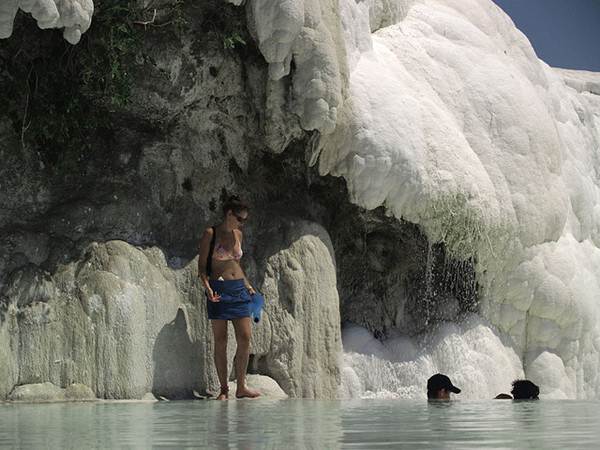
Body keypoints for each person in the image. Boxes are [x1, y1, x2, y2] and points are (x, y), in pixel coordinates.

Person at [198, 195, 260, 400]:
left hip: (239, 289)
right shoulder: (211, 233)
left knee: (245, 337)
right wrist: (207, 288)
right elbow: (202, 265)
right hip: (218, 289)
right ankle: (224, 389)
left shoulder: (238, 235)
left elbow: (235, 264)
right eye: (240, 218)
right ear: (229, 214)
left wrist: (248, 285)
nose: (242, 223)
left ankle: (241, 386)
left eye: (244, 220)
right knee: (221, 340)